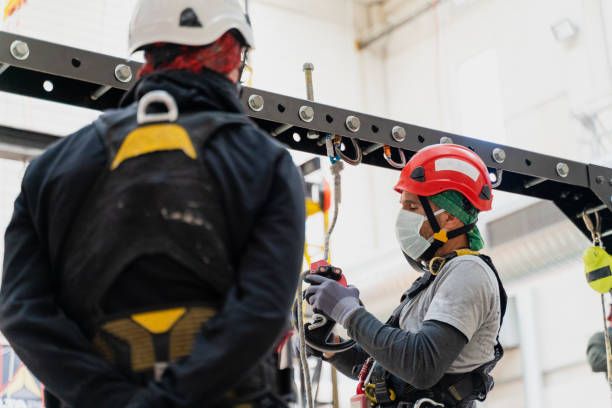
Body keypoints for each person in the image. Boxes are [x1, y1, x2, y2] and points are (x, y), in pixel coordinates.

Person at [0, 1, 305, 407]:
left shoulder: (48, 171)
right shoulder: (266, 163)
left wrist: (113, 400)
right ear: (231, 52)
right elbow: (261, 309)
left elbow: (21, 312)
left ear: (147, 52)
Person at [305, 144, 507, 407]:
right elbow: (388, 370)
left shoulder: (468, 272)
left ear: (450, 219)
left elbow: (421, 365)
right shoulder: (434, 278)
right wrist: (329, 345)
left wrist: (348, 311)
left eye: (412, 207)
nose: (402, 217)